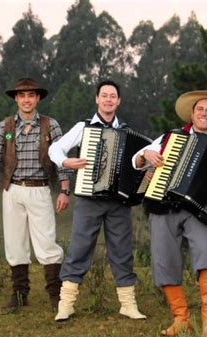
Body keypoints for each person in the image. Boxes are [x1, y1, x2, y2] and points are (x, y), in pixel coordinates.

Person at [132, 90, 207, 337]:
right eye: (200, 109)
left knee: (205, 255)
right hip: (163, 204)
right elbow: (136, 161)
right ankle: (181, 319)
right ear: (192, 114)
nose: (204, 113)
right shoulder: (171, 137)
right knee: (164, 261)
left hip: (199, 212)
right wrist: (144, 155)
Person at [48, 80, 146, 322]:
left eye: (113, 96)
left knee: (122, 251)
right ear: (97, 99)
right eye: (104, 95)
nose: (109, 100)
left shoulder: (126, 131)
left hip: (119, 201)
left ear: (118, 101)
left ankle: (127, 304)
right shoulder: (84, 128)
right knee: (79, 249)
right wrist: (66, 162)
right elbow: (55, 149)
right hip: (88, 199)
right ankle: (66, 304)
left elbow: (141, 160)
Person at [0, 78, 69, 312]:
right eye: (22, 96)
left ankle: (56, 296)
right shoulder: (5, 127)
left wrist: (64, 190)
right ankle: (19, 295)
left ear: (38, 98)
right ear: (16, 99)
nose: (27, 100)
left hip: (40, 189)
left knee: (47, 243)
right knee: (15, 243)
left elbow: (62, 161)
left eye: (31, 95)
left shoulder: (51, 125)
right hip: (12, 190)